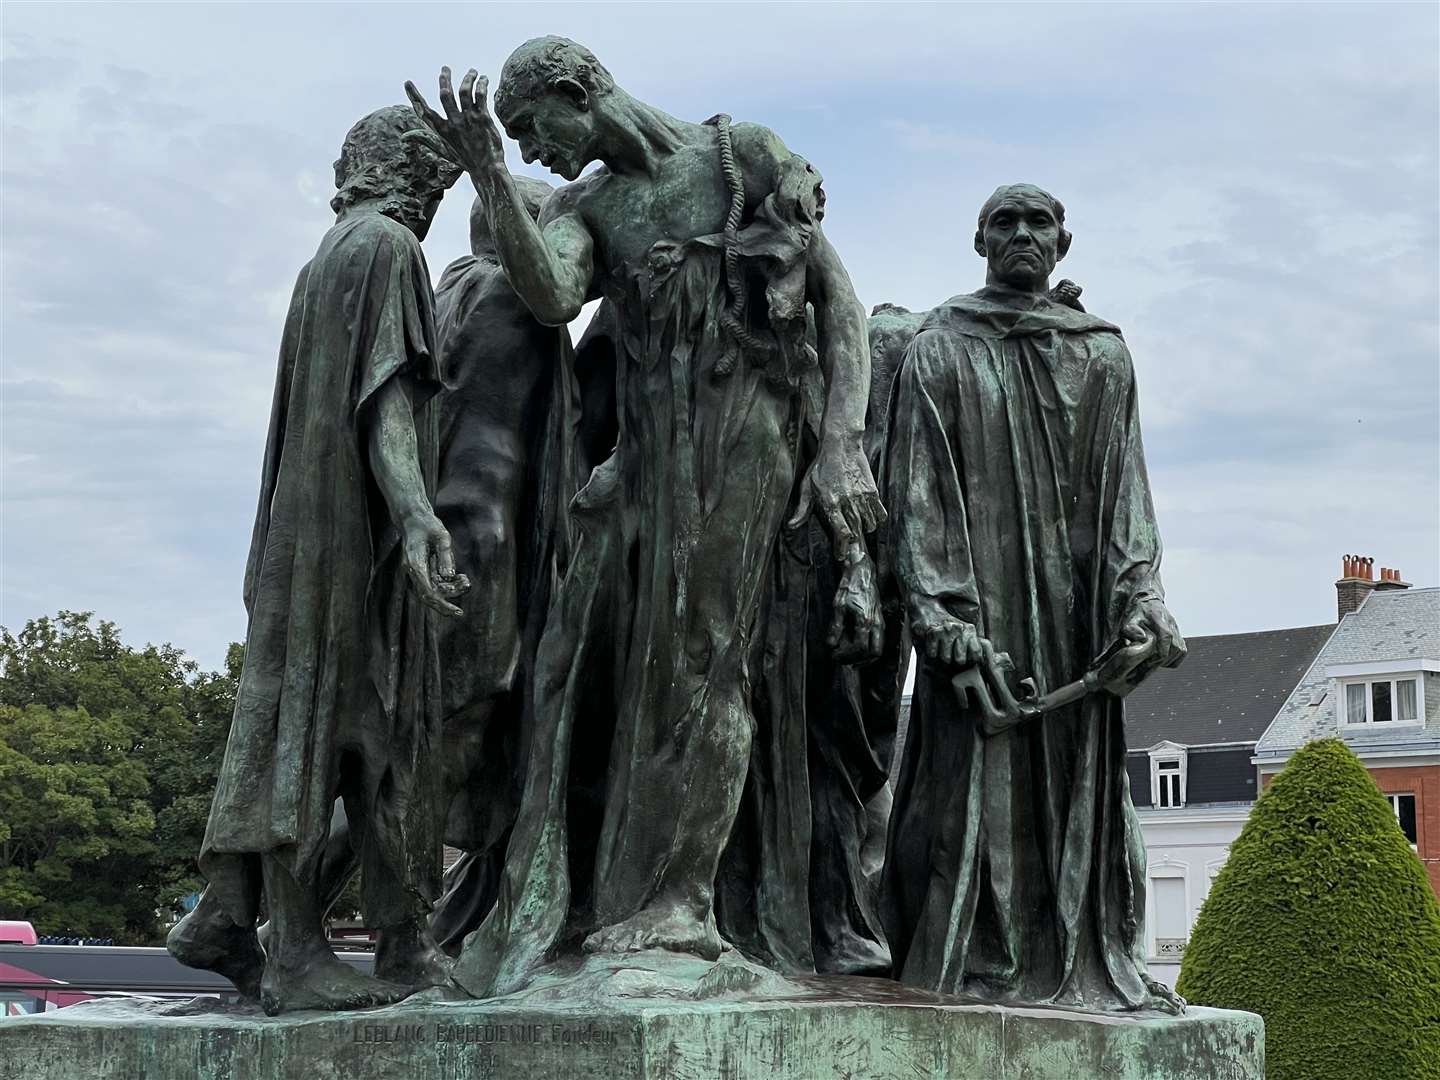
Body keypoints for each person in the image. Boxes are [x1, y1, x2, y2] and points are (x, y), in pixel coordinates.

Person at [406, 37, 883, 996]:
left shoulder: (740, 156)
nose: (539, 152)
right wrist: (491, 178)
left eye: (534, 130)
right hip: (647, 461)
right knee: (587, 668)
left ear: (579, 94)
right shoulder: (590, 206)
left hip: (746, 436)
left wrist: (841, 445)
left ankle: (682, 906)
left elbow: (839, 305)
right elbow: (547, 294)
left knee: (702, 665)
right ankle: (587, 897)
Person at [166, 106, 467, 1014]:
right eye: (440, 183)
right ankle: (296, 951)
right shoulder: (386, 249)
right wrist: (415, 513)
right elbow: (384, 401)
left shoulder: (324, 257)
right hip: (343, 532)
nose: (439, 203)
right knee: (337, 726)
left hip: (300, 531)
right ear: (410, 175)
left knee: (329, 727)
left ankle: (234, 917)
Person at [881, 183, 1187, 1013]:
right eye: (1005, 223)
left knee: (1076, 795)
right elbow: (919, 496)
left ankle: (1085, 966)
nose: (1022, 234)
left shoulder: (1104, 356)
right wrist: (940, 619)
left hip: (1076, 625)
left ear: (1065, 242)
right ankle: (982, 969)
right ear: (978, 240)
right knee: (965, 811)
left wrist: (1142, 600)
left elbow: (1128, 497)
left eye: (1038, 222)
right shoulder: (938, 349)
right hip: (981, 629)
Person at [426, 176, 579, 952]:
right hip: (482, 552)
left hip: (462, 543)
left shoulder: (446, 291)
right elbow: (488, 466)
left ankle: (466, 916)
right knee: (450, 744)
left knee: (458, 745)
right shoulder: (507, 295)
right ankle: (265, 910)